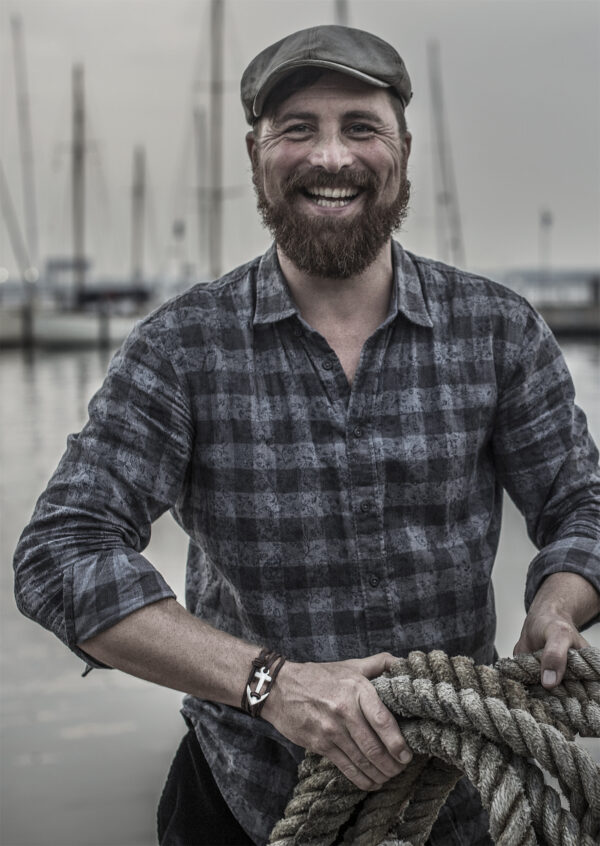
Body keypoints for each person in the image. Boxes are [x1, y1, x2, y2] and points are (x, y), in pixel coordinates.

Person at [13, 24, 600, 846]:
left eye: (360, 126)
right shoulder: (179, 349)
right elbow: (59, 554)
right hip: (241, 801)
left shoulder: (499, 331)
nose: (331, 157)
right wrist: (269, 684)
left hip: (459, 803)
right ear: (256, 152)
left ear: (403, 147)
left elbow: (583, 505)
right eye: (299, 129)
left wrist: (559, 602)